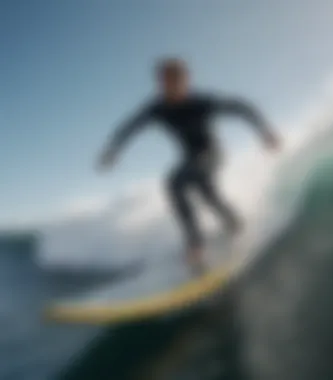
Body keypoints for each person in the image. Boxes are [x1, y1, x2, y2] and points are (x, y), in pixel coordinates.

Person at [97, 58, 281, 271]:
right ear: (160, 83)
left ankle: (195, 245)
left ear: (185, 81)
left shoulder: (201, 103)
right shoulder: (157, 108)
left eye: (175, 81)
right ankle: (235, 224)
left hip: (212, 154)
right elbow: (130, 126)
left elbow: (241, 107)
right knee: (208, 195)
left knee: (175, 182)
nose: (170, 87)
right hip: (190, 159)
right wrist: (113, 149)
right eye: (165, 82)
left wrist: (265, 131)